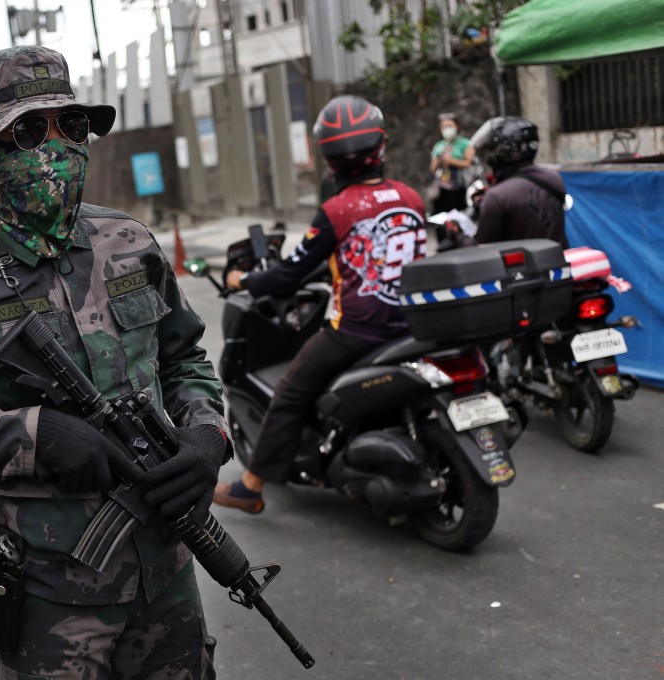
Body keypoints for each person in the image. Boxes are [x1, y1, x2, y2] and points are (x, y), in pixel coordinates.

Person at [0, 45, 229, 679]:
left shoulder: (127, 242)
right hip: (51, 595)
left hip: (168, 568)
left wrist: (207, 434)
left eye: (73, 125)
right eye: (29, 131)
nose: (57, 144)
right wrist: (34, 438)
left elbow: (184, 357)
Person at [214, 94, 427, 514]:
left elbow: (289, 273)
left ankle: (251, 487)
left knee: (291, 392)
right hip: (412, 324)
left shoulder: (338, 210)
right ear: (380, 146)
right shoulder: (412, 197)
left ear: (330, 158)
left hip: (359, 331)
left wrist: (245, 279)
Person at [462, 115, 569, 248]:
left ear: (501, 151)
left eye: (490, 150)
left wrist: (458, 236)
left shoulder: (497, 197)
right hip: (557, 263)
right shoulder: (554, 178)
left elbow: (480, 249)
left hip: (519, 268)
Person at [429, 113, 476, 213]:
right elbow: (432, 169)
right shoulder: (438, 146)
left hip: (461, 187)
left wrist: (451, 161)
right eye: (443, 127)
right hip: (442, 188)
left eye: (449, 126)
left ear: (456, 126)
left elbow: (469, 163)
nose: (446, 129)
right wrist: (438, 161)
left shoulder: (465, 143)